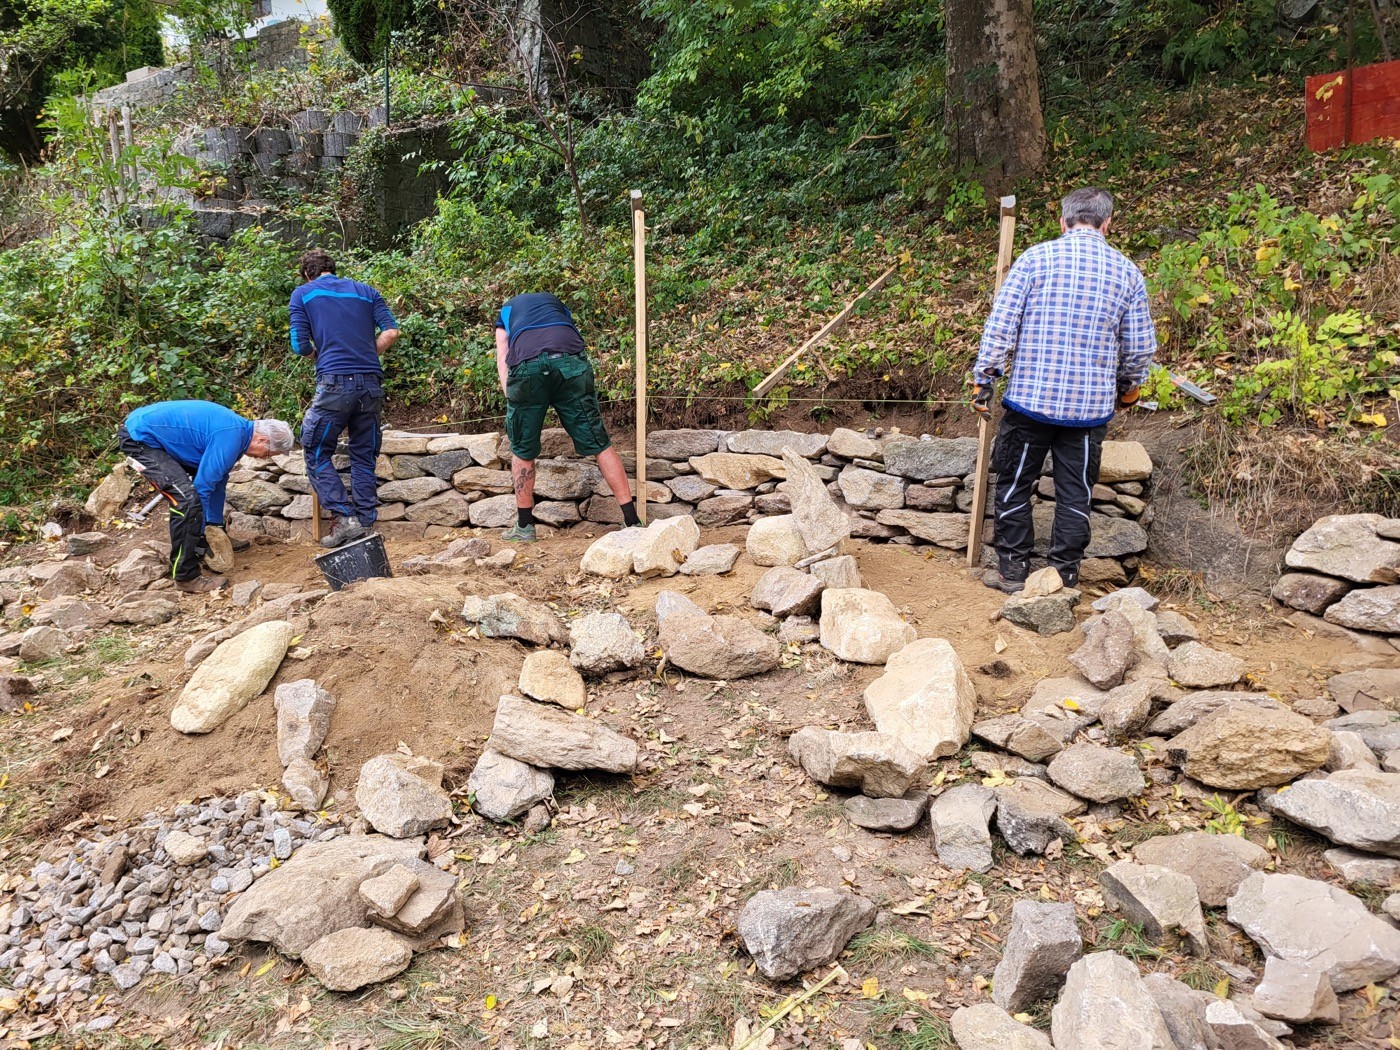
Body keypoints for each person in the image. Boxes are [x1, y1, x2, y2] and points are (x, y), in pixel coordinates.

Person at [972, 186, 1157, 593]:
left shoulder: (1035, 260)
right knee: (1076, 493)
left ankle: (1013, 571)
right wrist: (1128, 387)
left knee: (1015, 483)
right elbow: (1140, 346)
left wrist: (984, 378)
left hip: (1029, 403)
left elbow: (1000, 326)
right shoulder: (1127, 271)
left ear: (1063, 221)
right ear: (1108, 224)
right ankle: (1064, 575)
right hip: (1088, 412)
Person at [495, 292, 638, 542]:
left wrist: (514, 396)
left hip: (527, 367)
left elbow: (502, 356)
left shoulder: (506, 311)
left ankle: (525, 527)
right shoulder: (557, 304)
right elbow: (567, 332)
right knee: (599, 442)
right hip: (570, 364)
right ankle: (631, 520)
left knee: (523, 448)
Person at [118, 401, 293, 593]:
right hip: (140, 439)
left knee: (216, 478)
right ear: (261, 440)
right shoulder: (230, 436)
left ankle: (211, 533)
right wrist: (199, 537)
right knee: (186, 501)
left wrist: (214, 531)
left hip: (159, 436)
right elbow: (202, 488)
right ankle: (186, 576)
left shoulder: (238, 434)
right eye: (268, 454)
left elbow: (216, 482)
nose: (264, 459)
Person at [289, 249, 400, 549]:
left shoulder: (303, 294)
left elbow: (299, 345)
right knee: (364, 454)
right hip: (370, 384)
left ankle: (346, 520)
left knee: (314, 448)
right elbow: (391, 331)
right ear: (332, 269)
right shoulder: (366, 291)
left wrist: (319, 355)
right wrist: (366, 353)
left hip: (335, 384)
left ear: (307, 273)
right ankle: (365, 522)